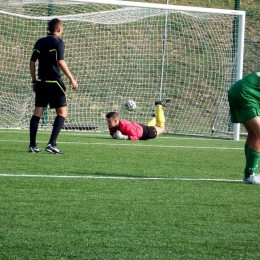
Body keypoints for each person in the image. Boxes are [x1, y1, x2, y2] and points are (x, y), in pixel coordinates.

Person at [28, 18, 78, 154]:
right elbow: (60, 61)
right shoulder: (58, 42)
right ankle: (51, 143)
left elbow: (32, 62)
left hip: (42, 82)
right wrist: (72, 78)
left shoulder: (39, 41)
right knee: (62, 113)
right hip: (55, 82)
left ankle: (32, 145)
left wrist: (34, 81)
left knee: (37, 113)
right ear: (60, 29)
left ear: (49, 29)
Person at [228, 72, 260, 184]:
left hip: (240, 91)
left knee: (254, 134)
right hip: (245, 93)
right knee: (258, 134)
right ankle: (250, 175)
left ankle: (251, 173)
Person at [106, 99, 171, 140]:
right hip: (139, 128)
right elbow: (113, 134)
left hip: (147, 133)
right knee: (150, 126)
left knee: (162, 128)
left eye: (109, 122)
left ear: (116, 121)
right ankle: (154, 117)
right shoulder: (112, 126)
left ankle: (159, 105)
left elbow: (136, 136)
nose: (108, 123)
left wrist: (124, 137)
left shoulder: (126, 126)